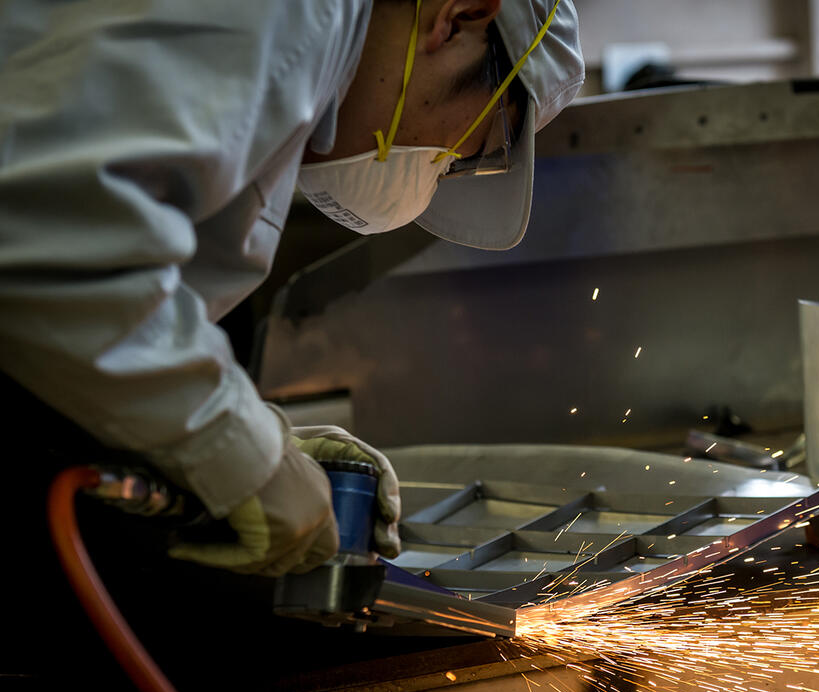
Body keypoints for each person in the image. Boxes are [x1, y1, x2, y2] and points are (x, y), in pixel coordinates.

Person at [0, 0, 585, 576]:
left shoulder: (295, 56)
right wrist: (235, 450)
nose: (439, 168)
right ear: (457, 17)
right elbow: (49, 241)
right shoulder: (288, 15)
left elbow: (101, 285)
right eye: (466, 152)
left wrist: (250, 440)